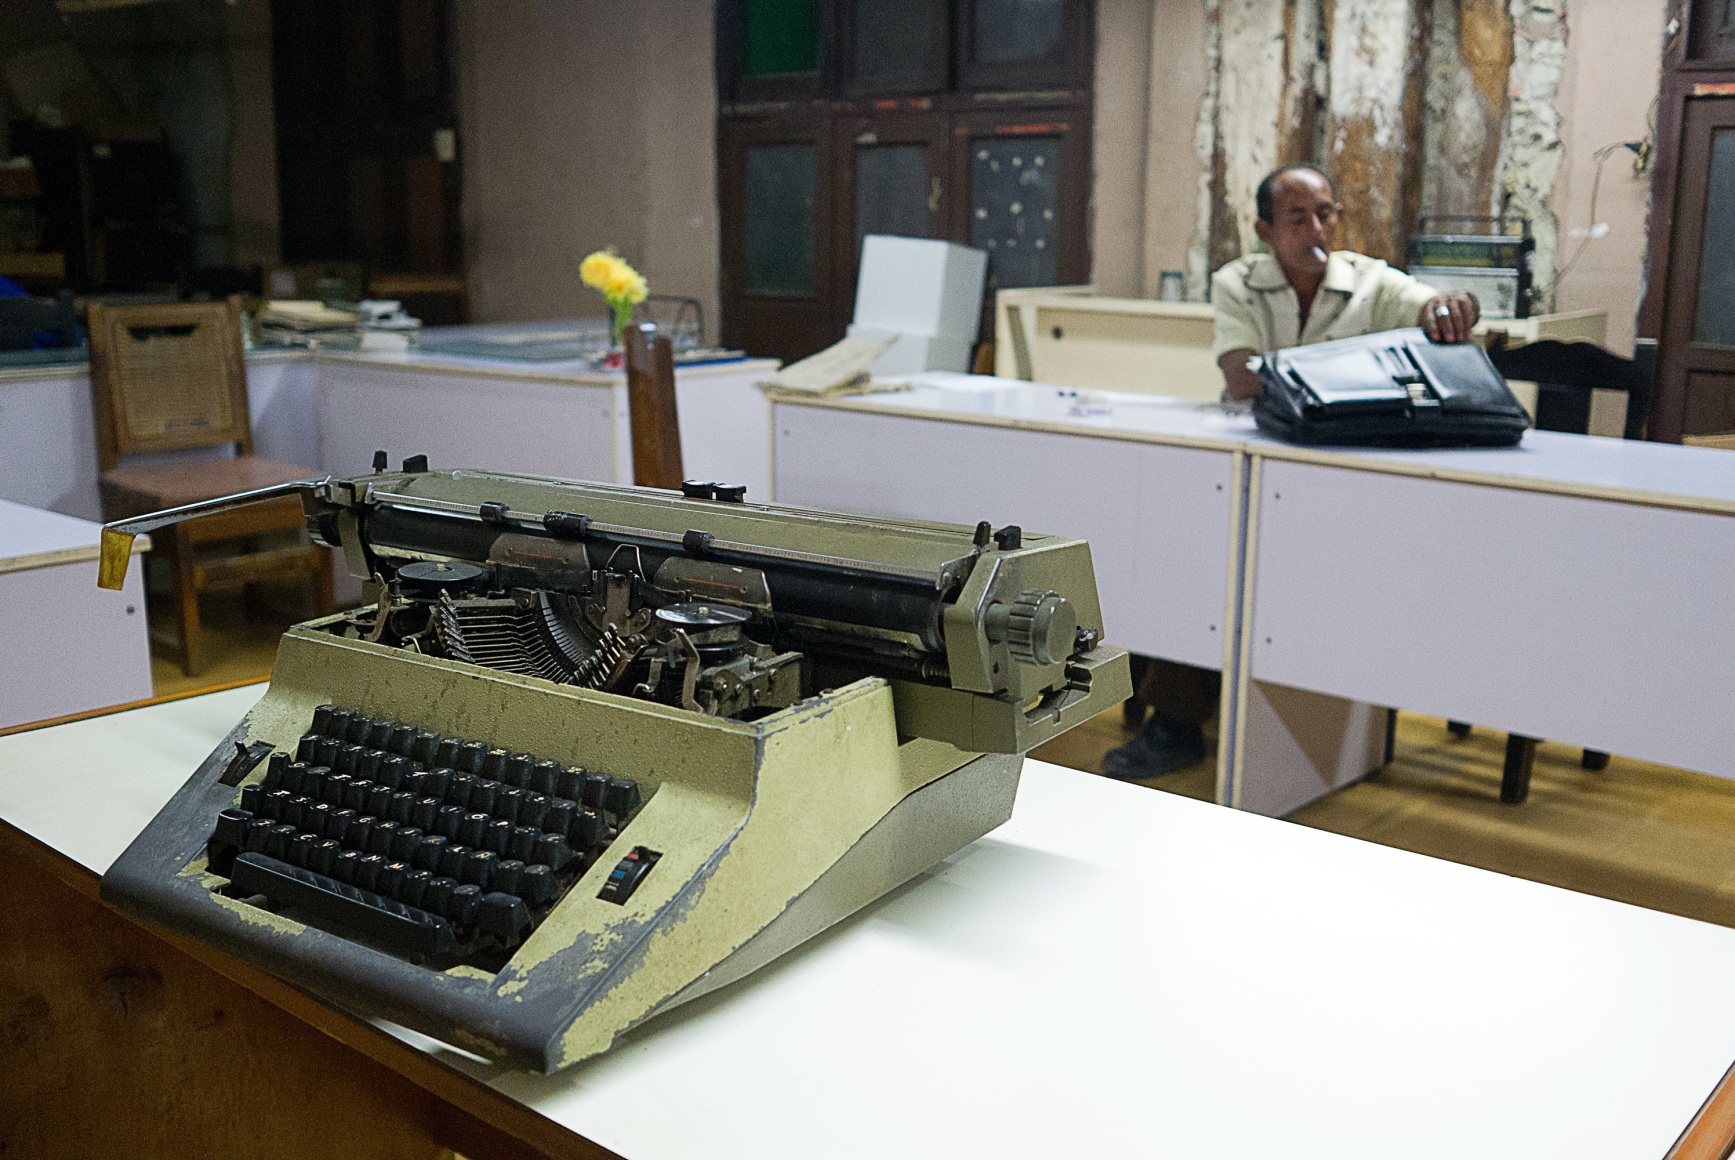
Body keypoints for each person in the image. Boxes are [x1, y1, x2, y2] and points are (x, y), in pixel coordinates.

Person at [1102, 163, 1480, 781]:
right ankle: (1175, 721)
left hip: (1339, 473)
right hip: (1251, 461)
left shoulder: (1370, 281)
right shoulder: (1237, 283)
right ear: (1265, 231)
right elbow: (1241, 378)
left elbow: (1427, 306)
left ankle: (1305, 725)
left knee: (1329, 574)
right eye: (1297, 218)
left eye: (1325, 214)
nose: (1316, 229)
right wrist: (1349, 376)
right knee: (1206, 561)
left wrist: (1449, 305)